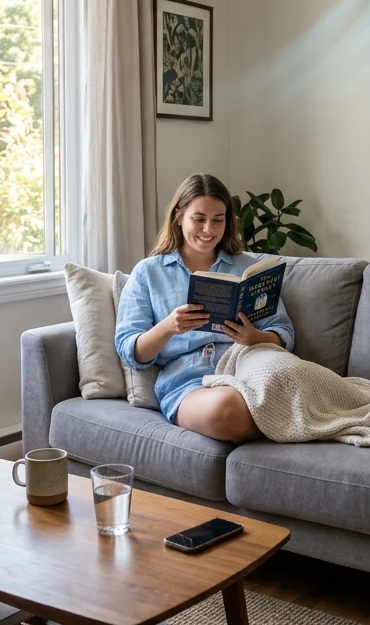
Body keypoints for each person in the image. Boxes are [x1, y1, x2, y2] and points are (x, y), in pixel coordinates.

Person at [115, 174, 295, 444]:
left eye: (218, 220)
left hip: (250, 369)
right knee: (226, 409)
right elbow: (131, 351)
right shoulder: (149, 272)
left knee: (299, 383)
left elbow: (283, 332)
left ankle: (285, 414)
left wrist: (253, 337)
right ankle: (285, 418)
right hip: (189, 383)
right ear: (179, 217)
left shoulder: (247, 267)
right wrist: (168, 327)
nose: (209, 229)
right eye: (199, 219)